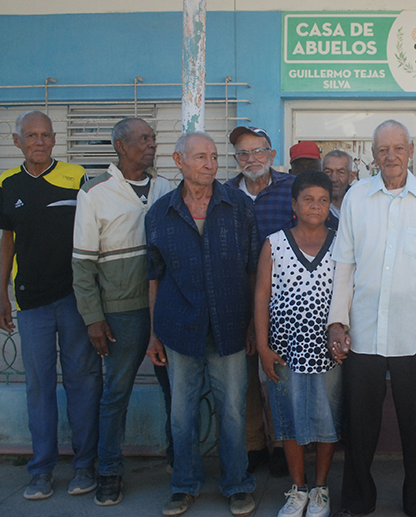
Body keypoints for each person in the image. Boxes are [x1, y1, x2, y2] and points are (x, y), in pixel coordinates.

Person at [327, 119, 416, 517]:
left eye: (398, 148)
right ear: (372, 155)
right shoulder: (357, 197)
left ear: (410, 151)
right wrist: (337, 321)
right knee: (360, 428)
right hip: (363, 332)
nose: (391, 156)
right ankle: (357, 501)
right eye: (382, 149)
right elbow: (344, 264)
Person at [146, 132, 258, 517]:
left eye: (213, 157)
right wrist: (153, 334)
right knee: (182, 412)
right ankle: (184, 485)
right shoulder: (160, 213)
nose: (210, 164)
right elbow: (154, 277)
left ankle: (237, 484)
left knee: (232, 411)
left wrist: (253, 327)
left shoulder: (239, 207)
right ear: (179, 161)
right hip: (179, 328)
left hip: (229, 327)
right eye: (200, 157)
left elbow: (253, 270)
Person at [0, 110, 101, 501]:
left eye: (45, 135)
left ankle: (85, 466)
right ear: (18, 141)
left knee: (84, 383)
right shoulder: (7, 183)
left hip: (76, 299)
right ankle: (40, 471)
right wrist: (2, 292)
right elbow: (7, 240)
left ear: (55, 140)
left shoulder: (77, 178)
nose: (39, 142)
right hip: (31, 302)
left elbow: (96, 231)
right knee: (38, 387)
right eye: (31, 135)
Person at [72, 117, 174, 506]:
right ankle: (109, 470)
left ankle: (176, 459)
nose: (150, 145)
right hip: (120, 313)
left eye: (153, 139)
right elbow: (82, 263)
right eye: (142, 139)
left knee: (173, 389)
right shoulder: (96, 192)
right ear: (120, 146)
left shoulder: (165, 186)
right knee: (116, 392)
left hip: (164, 308)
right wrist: (92, 317)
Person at [255, 171, 341, 517]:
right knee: (288, 420)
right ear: (294, 204)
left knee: (327, 419)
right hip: (284, 349)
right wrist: (262, 346)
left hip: (328, 351)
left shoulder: (340, 242)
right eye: (308, 199)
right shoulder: (274, 243)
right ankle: (298, 488)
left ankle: (320, 488)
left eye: (323, 200)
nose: (316, 206)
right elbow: (261, 296)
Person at [225, 125, 295, 477]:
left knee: (276, 373)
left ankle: (282, 444)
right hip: (235, 298)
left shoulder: (292, 189)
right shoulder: (222, 194)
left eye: (258, 151)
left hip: (283, 300)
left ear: (272, 154)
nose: (251, 159)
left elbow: (323, 230)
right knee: (244, 377)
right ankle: (254, 445)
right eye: (243, 153)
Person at [323, 149, 357, 221]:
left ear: (351, 177)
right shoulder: (314, 207)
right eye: (328, 172)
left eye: (341, 172)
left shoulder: (360, 204)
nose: (334, 179)